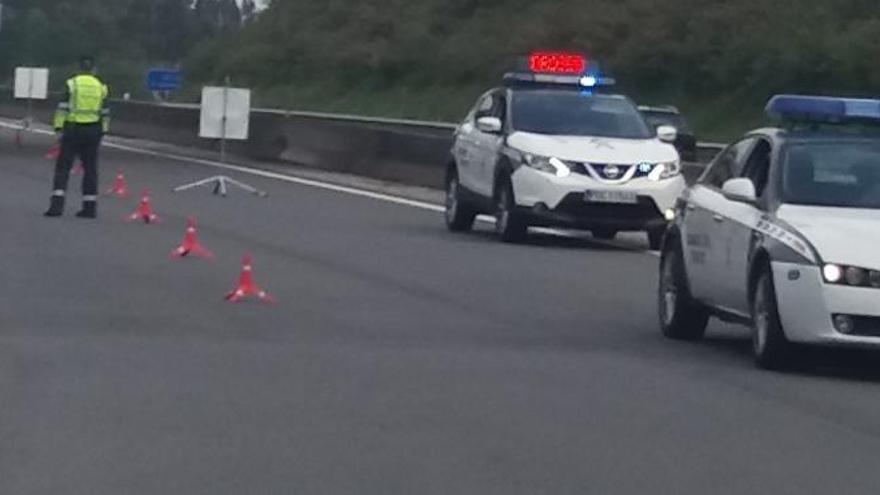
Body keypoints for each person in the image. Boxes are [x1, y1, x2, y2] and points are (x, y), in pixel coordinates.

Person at [44, 56, 110, 218]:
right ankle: (90, 207)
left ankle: (56, 206)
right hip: (93, 130)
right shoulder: (101, 87)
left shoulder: (72, 84)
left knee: (63, 168)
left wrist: (59, 128)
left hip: (73, 130)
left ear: (79, 68)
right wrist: (103, 131)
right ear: (94, 69)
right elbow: (106, 113)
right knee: (90, 170)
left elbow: (62, 109)